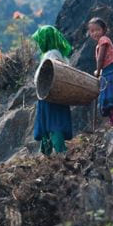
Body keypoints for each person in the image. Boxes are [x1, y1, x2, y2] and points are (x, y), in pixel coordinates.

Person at [31, 25, 74, 156]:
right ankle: (47, 152)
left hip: (49, 95)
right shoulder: (58, 53)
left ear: (46, 39)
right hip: (53, 94)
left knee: (53, 123)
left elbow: (53, 71)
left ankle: (59, 152)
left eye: (40, 40)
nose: (39, 44)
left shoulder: (52, 54)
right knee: (51, 122)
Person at [88, 17, 113, 126]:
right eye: (92, 31)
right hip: (108, 72)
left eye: (97, 30)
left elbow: (101, 58)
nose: (95, 33)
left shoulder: (103, 40)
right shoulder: (99, 43)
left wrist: (98, 72)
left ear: (104, 30)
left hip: (110, 73)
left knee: (111, 99)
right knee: (110, 100)